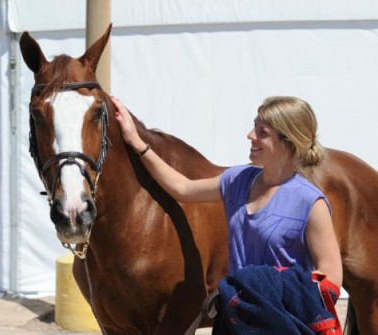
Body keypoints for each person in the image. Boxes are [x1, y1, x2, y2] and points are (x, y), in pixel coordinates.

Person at [112, 95, 343, 333]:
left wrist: (272, 289)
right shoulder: (238, 180)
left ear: (288, 142)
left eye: (262, 131)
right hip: (237, 319)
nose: (250, 135)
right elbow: (182, 188)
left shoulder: (310, 202)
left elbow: (332, 278)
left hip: (282, 323)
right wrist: (137, 142)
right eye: (254, 126)